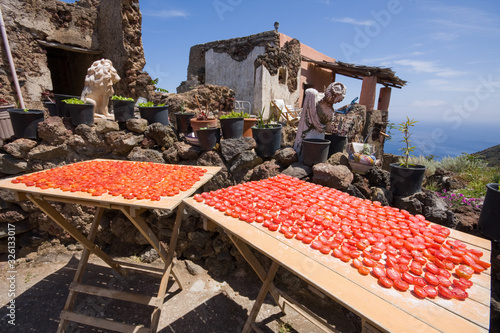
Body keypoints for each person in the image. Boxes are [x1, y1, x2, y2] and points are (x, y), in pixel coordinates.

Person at [293, 82, 346, 157]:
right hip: (309, 132)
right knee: (304, 152)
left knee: (309, 153)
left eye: (335, 96)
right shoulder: (315, 97)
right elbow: (328, 129)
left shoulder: (330, 111)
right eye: (332, 94)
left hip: (316, 136)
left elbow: (328, 129)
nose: (333, 97)